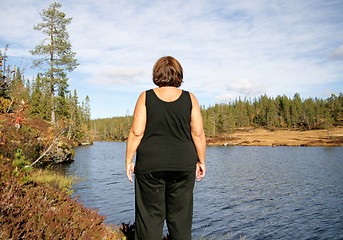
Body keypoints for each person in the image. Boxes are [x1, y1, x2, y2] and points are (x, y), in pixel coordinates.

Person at [125, 56, 206, 240]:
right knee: (180, 220)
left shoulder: (145, 96)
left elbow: (137, 132)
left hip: (150, 165)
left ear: (156, 73)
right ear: (179, 74)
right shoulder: (190, 98)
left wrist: (129, 160)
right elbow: (198, 134)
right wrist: (201, 161)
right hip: (183, 165)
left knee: (149, 219)